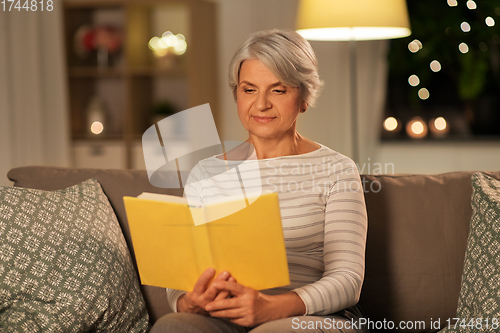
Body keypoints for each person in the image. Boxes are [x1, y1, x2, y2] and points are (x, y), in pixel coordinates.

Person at [150, 29, 368, 333]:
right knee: (174, 326)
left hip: (311, 317)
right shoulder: (205, 172)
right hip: (224, 316)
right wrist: (189, 301)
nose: (261, 104)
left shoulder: (337, 169)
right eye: (249, 89)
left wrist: (269, 309)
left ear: (304, 98)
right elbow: (182, 277)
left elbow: (347, 280)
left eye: (278, 90)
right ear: (236, 94)